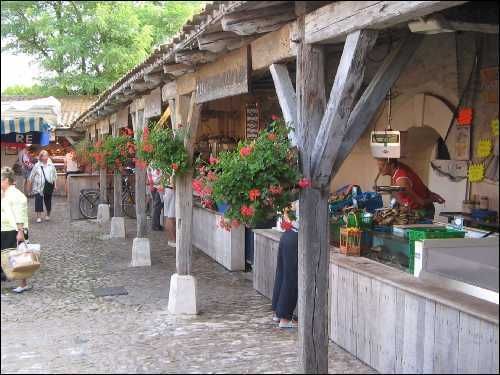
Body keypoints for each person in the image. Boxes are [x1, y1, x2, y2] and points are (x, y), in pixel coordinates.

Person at [375, 158, 445, 219]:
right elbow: (417, 184)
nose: (379, 169)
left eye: (382, 166)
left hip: (423, 210)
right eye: (378, 165)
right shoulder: (398, 167)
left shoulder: (402, 181)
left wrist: (434, 199)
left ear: (392, 165)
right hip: (413, 208)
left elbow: (421, 202)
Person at [1, 167, 31, 292]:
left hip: (12, 229)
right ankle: (23, 283)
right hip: (7, 228)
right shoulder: (7, 193)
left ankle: (23, 284)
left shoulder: (15, 195)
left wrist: (20, 232)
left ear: (6, 180)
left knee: (17, 257)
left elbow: (20, 214)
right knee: (17, 256)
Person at [271, 201, 299, 328]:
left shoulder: (294, 200)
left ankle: (278, 313)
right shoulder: (308, 200)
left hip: (287, 236)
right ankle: (285, 318)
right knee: (291, 277)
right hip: (295, 237)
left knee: (282, 274)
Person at [28, 150, 57, 223]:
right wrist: (29, 188)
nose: (46, 157)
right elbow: (31, 176)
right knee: (38, 201)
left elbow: (54, 175)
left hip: (48, 186)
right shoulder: (37, 166)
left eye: (47, 155)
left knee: (48, 201)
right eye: (45, 156)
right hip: (38, 187)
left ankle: (48, 214)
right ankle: (38, 217)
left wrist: (55, 184)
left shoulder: (51, 165)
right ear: (41, 157)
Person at [147, 164, 164, 231]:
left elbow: (149, 174)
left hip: (155, 186)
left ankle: (156, 224)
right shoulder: (156, 163)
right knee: (157, 206)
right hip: (158, 186)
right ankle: (155, 225)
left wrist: (151, 184)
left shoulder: (151, 163)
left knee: (157, 206)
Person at [163, 175, 176, 248]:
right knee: (171, 217)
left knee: (169, 216)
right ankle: (173, 239)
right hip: (171, 189)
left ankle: (172, 239)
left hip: (169, 189)